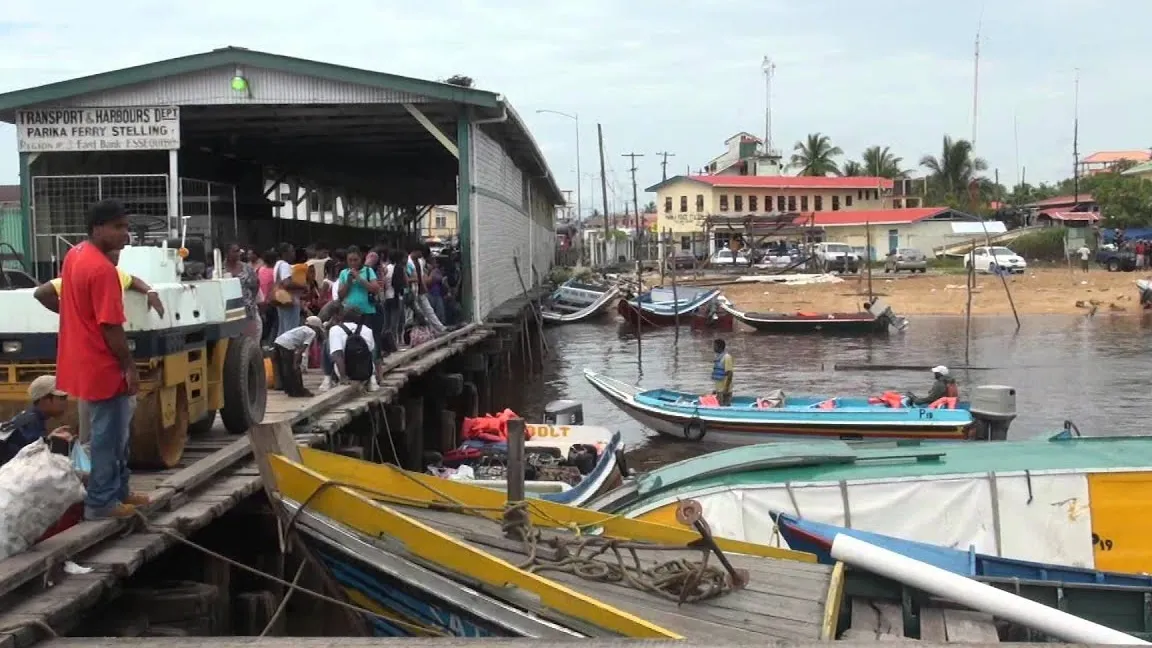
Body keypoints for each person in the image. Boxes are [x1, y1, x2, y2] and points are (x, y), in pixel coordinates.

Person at [58, 199, 147, 520]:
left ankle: (119, 491)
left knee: (116, 433)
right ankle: (101, 502)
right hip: (103, 366)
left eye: (126, 227)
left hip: (83, 360)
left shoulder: (75, 255)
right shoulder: (102, 270)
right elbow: (111, 326)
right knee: (108, 437)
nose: (126, 234)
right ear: (98, 229)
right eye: (119, 227)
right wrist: (129, 367)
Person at [35, 250, 165, 318]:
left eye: (118, 250)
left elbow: (132, 280)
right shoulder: (85, 274)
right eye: (112, 250)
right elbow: (41, 293)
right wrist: (69, 313)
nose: (117, 253)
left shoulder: (117, 273)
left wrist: (150, 291)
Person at [0, 375, 74, 466]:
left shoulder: (30, 417)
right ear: (44, 399)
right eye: (62, 398)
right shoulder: (31, 423)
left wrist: (48, 439)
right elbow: (32, 458)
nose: (65, 402)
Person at [337, 247, 383, 352]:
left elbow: (375, 289)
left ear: (361, 259)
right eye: (350, 260)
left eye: (355, 260)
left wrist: (359, 278)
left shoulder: (368, 271)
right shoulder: (344, 273)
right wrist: (348, 282)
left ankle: (373, 361)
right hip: (350, 313)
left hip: (367, 311)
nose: (353, 263)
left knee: (369, 339)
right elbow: (340, 295)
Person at [328, 306, 379, 391]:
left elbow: (337, 355)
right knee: (371, 352)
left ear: (342, 317)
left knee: (329, 346)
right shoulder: (367, 330)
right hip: (366, 372)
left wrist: (343, 377)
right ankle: (372, 379)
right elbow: (373, 354)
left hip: (348, 373)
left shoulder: (335, 329)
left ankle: (328, 379)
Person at [272, 316, 324, 398]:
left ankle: (289, 390)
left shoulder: (301, 328)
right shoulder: (311, 332)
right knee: (292, 369)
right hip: (287, 345)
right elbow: (302, 349)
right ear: (315, 327)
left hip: (278, 341)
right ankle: (298, 391)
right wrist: (296, 362)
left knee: (283, 369)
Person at [220, 243, 261, 339]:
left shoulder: (247, 268)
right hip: (228, 312)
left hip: (247, 310)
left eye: (239, 251)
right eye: (235, 251)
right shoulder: (219, 269)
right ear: (227, 253)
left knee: (250, 340)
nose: (238, 253)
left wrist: (250, 301)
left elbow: (256, 285)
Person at [406, 246, 446, 334]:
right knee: (411, 314)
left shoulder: (420, 261)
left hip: (420, 290)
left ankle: (440, 328)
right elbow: (408, 278)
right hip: (412, 291)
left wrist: (424, 287)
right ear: (416, 251)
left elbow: (421, 275)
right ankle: (409, 334)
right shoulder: (408, 262)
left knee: (429, 310)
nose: (422, 255)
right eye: (421, 253)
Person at [273, 243, 303, 337]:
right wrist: (303, 286)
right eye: (292, 251)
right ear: (285, 253)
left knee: (283, 328)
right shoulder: (285, 265)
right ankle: (288, 350)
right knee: (291, 329)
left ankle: (279, 349)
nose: (294, 254)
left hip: (281, 299)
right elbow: (287, 283)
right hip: (289, 300)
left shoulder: (278, 264)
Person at [711, 339, 734, 406]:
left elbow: (730, 374)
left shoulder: (727, 357)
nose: (713, 348)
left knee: (724, 406)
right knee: (719, 405)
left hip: (724, 390)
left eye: (714, 346)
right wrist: (716, 390)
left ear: (719, 347)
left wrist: (726, 389)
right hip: (719, 390)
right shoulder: (718, 357)